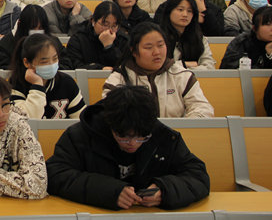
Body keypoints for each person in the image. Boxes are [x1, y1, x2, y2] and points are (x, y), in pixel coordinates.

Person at [45, 85, 210, 210]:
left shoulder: (164, 137)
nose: (133, 143)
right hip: (97, 217)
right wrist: (108, 191)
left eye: (142, 137)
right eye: (123, 137)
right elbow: (55, 174)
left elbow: (198, 176)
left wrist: (166, 190)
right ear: (109, 123)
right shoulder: (79, 136)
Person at [102, 23, 214, 118]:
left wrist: (185, 127)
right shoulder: (119, 78)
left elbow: (203, 108)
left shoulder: (181, 75)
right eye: (149, 47)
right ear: (134, 51)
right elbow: (110, 113)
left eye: (160, 45)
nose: (157, 52)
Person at [9, 34, 85, 119]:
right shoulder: (16, 84)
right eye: (44, 62)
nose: (51, 64)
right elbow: (26, 120)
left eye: (55, 59)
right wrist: (37, 86)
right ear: (27, 63)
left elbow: (82, 120)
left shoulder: (67, 83)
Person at [158, 0, 216, 70]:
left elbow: (209, 67)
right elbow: (156, 65)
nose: (185, 14)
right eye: (180, 10)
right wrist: (184, 64)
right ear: (169, 11)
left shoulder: (199, 38)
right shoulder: (157, 36)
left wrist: (183, 70)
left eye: (189, 11)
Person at [66, 1, 129, 70]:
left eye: (114, 26)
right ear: (93, 21)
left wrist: (109, 46)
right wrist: (100, 68)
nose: (109, 30)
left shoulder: (123, 39)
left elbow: (125, 66)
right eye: (105, 25)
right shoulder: (78, 38)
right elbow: (75, 66)